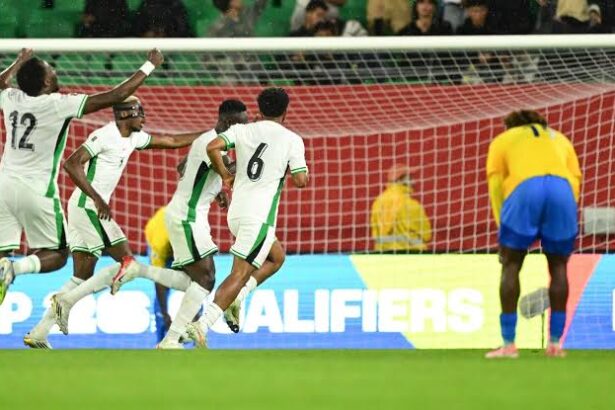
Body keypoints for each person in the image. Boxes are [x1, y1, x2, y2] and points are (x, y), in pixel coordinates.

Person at [24, 96, 206, 347]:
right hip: (88, 207)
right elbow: (72, 163)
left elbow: (172, 141)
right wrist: (97, 198)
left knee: (82, 275)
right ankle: (65, 302)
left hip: (86, 208)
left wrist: (209, 134)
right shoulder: (104, 135)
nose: (144, 117)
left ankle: (39, 332)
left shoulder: (133, 138)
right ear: (124, 115)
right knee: (128, 262)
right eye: (139, 112)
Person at [0, 48, 164, 308]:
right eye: (52, 71)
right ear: (46, 82)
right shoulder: (58, 104)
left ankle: (5, 267)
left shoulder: (11, 98)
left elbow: (1, 81)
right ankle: (13, 268)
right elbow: (116, 95)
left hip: (4, 186)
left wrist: (18, 62)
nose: (56, 73)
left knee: (2, 251)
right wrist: (150, 65)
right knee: (58, 254)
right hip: (36, 188)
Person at [110, 99, 249, 349]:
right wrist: (259, 156)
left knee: (195, 281)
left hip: (187, 215)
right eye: (242, 125)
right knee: (207, 278)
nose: (245, 130)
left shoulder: (207, 141)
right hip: (187, 216)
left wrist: (213, 186)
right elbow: (229, 171)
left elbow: (182, 165)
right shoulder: (212, 144)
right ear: (229, 123)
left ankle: (170, 332)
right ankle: (171, 336)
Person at [184, 88, 309, 347]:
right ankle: (202, 325)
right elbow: (300, 180)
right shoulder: (292, 139)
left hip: (236, 213)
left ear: (259, 109)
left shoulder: (242, 130)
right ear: (286, 112)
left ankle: (238, 298)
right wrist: (294, 170)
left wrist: (225, 175)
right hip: (259, 217)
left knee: (276, 257)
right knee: (239, 274)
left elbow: (213, 147)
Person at [485, 110, 582, 359]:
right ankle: (555, 344)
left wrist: (502, 226)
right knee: (558, 266)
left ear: (511, 126)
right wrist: (567, 208)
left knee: (511, 264)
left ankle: (509, 344)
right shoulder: (560, 138)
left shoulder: (503, 140)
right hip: (562, 190)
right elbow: (575, 178)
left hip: (524, 188)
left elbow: (496, 184)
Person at [371, 165, 432, 252]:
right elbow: (427, 235)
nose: (414, 181)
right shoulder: (411, 205)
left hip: (383, 254)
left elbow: (375, 233)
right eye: (409, 178)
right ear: (400, 180)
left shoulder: (377, 203)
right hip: (411, 254)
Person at [144, 206, 175, 342]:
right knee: (163, 289)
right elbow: (159, 283)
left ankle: (198, 334)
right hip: (156, 234)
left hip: (181, 237)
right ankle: (161, 341)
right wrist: (165, 314)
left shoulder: (194, 237)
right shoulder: (159, 244)